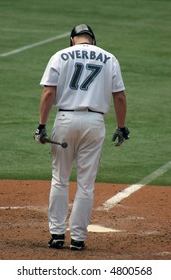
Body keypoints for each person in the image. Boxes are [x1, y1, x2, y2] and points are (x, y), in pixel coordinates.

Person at [34, 24, 130, 250]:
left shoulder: (60, 55)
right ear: (92, 40)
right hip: (94, 123)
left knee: (60, 178)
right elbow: (120, 97)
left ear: (72, 39)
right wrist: (121, 127)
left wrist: (41, 126)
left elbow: (49, 92)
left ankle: (57, 234)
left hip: (66, 119)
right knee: (86, 183)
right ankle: (78, 238)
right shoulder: (109, 58)